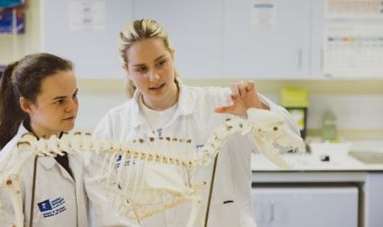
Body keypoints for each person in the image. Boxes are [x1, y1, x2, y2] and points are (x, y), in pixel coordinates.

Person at [85, 19, 299, 227]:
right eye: (141, 69)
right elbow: (107, 208)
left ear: (173, 56)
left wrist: (257, 112)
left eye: (161, 63)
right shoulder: (112, 127)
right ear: (126, 70)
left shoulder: (223, 104)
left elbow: (289, 144)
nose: (154, 76)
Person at [0, 53, 89, 226]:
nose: (72, 107)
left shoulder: (75, 151)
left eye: (74, 95)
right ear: (27, 105)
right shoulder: (9, 169)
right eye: (59, 101)